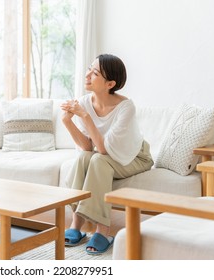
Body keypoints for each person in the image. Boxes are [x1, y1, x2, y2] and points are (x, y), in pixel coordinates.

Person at [60, 54, 154, 255]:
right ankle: (76, 224)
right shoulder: (85, 102)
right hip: (107, 156)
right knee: (85, 158)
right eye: (89, 69)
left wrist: (85, 116)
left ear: (110, 83)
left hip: (135, 157)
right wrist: (67, 122)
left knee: (99, 161)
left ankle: (103, 230)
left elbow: (102, 150)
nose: (88, 75)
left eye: (95, 73)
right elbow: (87, 147)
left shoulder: (125, 107)